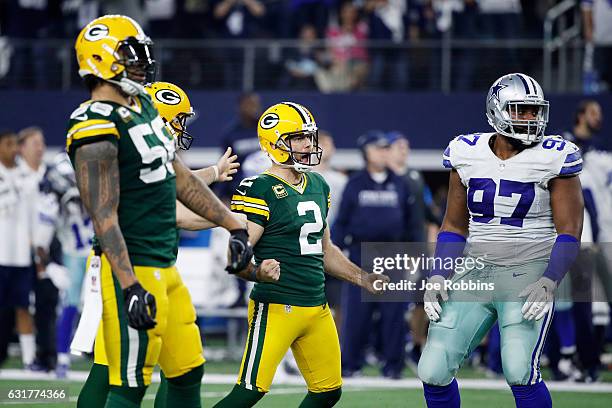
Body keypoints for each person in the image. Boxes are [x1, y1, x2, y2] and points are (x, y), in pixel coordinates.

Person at [67, 16, 251, 408]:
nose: (141, 61)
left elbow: (179, 176)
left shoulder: (144, 105)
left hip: (164, 262)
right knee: (129, 381)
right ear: (101, 60)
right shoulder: (93, 124)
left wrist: (233, 226)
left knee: (187, 371)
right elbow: (104, 215)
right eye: (129, 54)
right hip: (131, 265)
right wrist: (130, 284)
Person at [418, 73, 584, 408]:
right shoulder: (467, 152)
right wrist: (438, 273)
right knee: (432, 367)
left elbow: (569, 231)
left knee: (519, 367)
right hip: (476, 269)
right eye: (521, 110)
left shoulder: (554, 156)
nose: (530, 119)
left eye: (535, 111)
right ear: (497, 110)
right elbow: (454, 225)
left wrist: (551, 279)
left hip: (529, 270)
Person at [213, 102, 388, 407]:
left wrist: (363, 278)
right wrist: (256, 272)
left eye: (310, 136)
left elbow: (325, 249)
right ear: (275, 142)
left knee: (328, 392)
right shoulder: (258, 188)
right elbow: (237, 255)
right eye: (298, 138)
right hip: (277, 306)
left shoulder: (319, 184)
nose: (309, 144)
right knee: (248, 392)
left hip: (316, 306)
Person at [332, 130, 412, 379]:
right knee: (356, 314)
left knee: (394, 314)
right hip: (360, 254)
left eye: (386, 148)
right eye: (379, 148)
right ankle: (350, 364)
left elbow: (410, 222)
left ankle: (393, 366)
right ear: (366, 153)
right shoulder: (355, 184)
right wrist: (334, 250)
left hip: (392, 254)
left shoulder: (401, 183)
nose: (384, 153)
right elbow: (341, 221)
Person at [0, 129, 39, 370]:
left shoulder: (27, 175)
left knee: (24, 307)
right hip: (0, 253)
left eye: (16, 144)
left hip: (22, 255)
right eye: (8, 144)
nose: (14, 149)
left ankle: (29, 359)